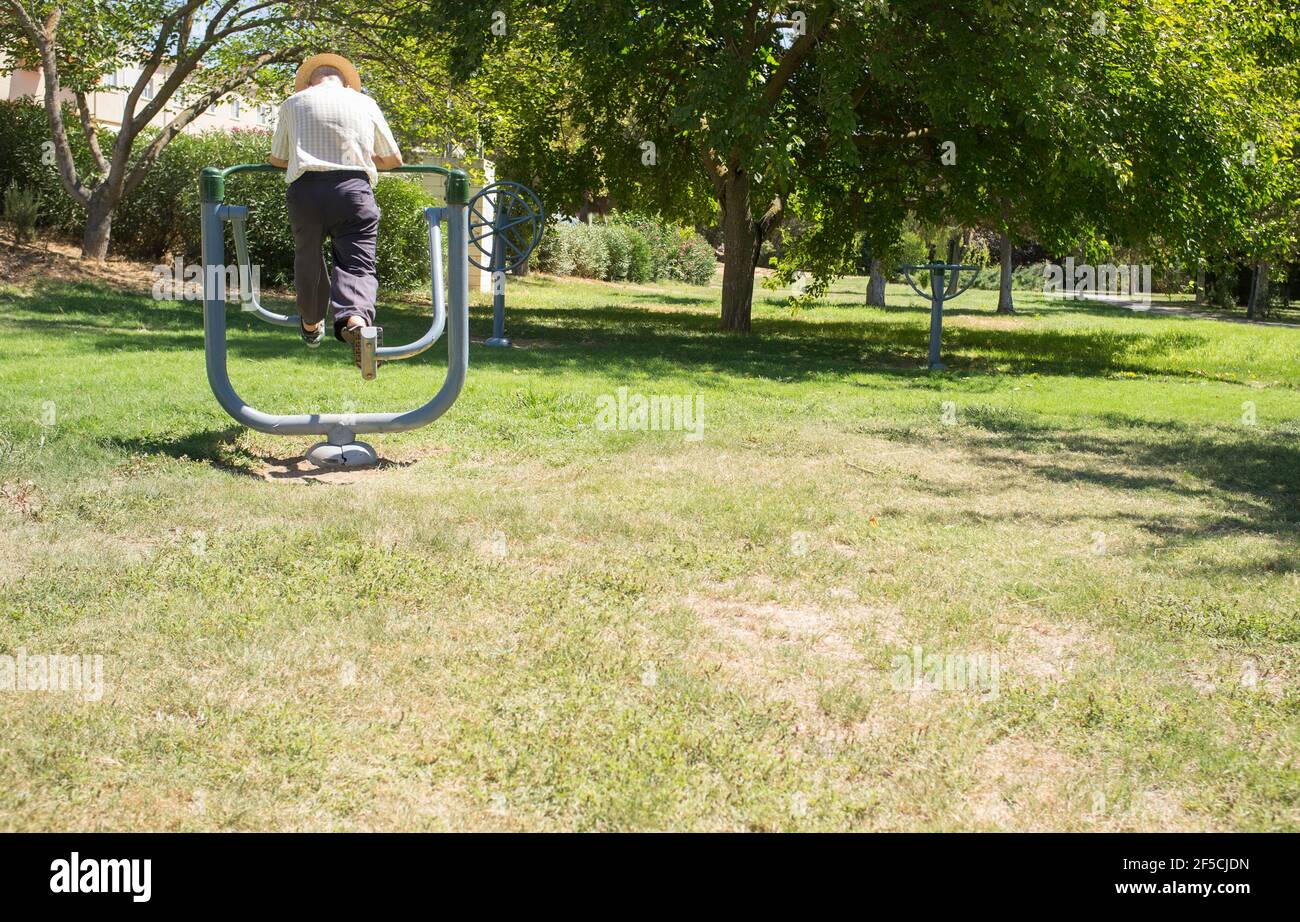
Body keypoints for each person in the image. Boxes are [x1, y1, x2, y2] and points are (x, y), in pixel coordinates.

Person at [269, 53, 403, 362]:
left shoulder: (293, 103)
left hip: (307, 192)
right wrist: (363, 157)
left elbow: (277, 157)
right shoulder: (364, 103)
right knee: (357, 263)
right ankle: (356, 322)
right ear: (346, 82)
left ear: (308, 82)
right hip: (353, 191)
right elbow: (394, 159)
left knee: (309, 257)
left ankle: (311, 322)